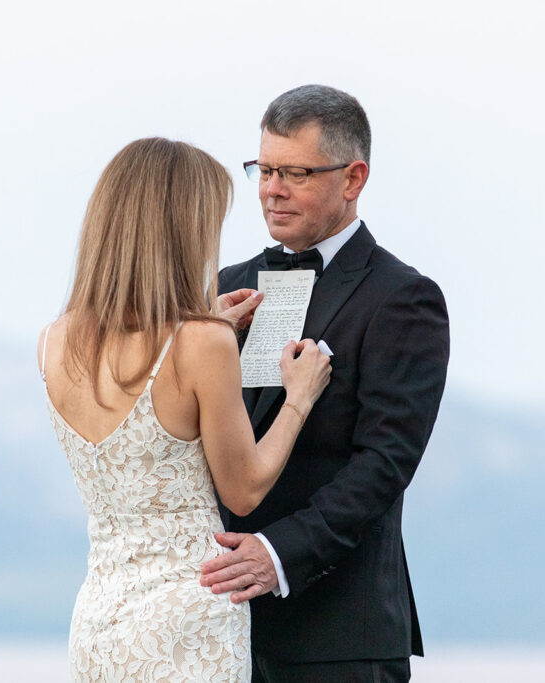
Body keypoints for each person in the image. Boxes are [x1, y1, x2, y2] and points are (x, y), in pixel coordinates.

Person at [37, 137, 331, 682]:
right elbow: (243, 488)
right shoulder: (202, 344)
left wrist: (205, 324)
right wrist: (298, 398)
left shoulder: (55, 342)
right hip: (190, 621)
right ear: (182, 232)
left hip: (99, 623)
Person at [201, 85, 450, 682]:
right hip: (215, 633)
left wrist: (278, 554)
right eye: (264, 169)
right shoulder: (223, 289)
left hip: (339, 639)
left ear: (353, 177)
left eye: (295, 173)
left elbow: (385, 464)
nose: (271, 189)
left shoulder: (403, 298)